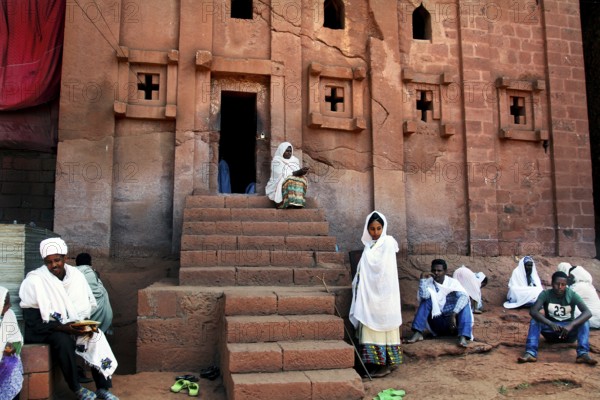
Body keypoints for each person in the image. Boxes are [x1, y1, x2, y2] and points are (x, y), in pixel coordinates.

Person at [19, 237, 119, 400]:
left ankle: (103, 388)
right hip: (44, 329)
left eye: (57, 260)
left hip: (72, 325)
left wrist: (78, 325)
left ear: (65, 258)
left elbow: (84, 306)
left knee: (96, 336)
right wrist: (63, 327)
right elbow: (32, 322)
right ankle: (76, 387)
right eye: (48, 262)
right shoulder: (35, 281)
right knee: (62, 340)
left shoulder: (76, 277)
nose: (54, 265)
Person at [349, 211, 402, 378]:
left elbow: (384, 271)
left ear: (383, 228)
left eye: (379, 228)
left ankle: (385, 365)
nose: (375, 232)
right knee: (370, 327)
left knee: (383, 327)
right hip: (370, 296)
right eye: (372, 229)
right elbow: (364, 271)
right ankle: (377, 364)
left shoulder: (387, 243)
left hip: (384, 296)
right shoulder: (369, 247)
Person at [517, 271, 597, 365]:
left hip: (568, 333)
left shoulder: (572, 295)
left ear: (566, 285)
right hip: (551, 331)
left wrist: (571, 325)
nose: (560, 287)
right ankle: (530, 353)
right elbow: (533, 311)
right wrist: (550, 323)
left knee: (585, 322)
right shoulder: (546, 294)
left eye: (563, 285)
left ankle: (583, 354)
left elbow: (587, 312)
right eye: (557, 284)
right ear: (552, 283)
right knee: (535, 321)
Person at [406, 259, 473, 347]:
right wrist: (422, 279)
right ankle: (418, 332)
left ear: (445, 271)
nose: (436, 273)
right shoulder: (429, 283)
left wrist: (454, 314)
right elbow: (424, 296)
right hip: (437, 322)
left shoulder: (452, 283)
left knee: (465, 304)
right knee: (427, 300)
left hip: (453, 323)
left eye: (439, 271)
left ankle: (463, 337)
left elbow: (464, 297)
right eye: (434, 270)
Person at [75, 253, 113, 335]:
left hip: (77, 311)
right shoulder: (89, 272)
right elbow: (96, 293)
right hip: (96, 311)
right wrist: (96, 276)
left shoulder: (72, 273)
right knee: (103, 295)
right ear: (90, 262)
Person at [265, 142, 309, 209]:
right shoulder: (276, 160)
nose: (289, 153)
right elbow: (280, 174)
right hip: (278, 182)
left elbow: (296, 171)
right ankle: (286, 203)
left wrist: (301, 172)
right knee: (289, 180)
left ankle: (297, 202)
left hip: (291, 177)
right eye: (287, 151)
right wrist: (296, 173)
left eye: (290, 151)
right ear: (282, 151)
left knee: (302, 179)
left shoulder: (294, 160)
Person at [557, 262, 600, 329]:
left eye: (571, 276)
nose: (569, 278)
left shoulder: (580, 286)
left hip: (594, 319)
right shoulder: (584, 285)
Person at [0, 286, 23, 399]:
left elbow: (16, 339)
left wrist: (11, 347)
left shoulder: (9, 314)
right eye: (6, 304)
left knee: (13, 368)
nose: (10, 306)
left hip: (5, 360)